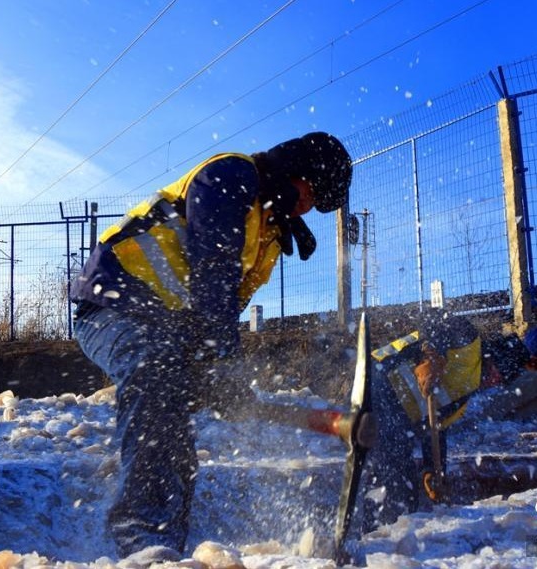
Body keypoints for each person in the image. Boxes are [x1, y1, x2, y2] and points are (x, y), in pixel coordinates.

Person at [71, 132, 352, 560]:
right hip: (114, 303)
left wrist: (218, 377)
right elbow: (213, 274)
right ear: (292, 168)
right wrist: (221, 363)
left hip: (169, 331)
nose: (306, 207)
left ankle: (166, 548)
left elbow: (221, 310)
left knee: (174, 436)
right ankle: (141, 543)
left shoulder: (267, 234)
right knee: (154, 373)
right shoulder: (231, 174)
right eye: (308, 192)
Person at [363, 309, 509, 530]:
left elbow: (435, 430)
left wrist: (432, 470)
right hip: (378, 376)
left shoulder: (464, 396)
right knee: (397, 485)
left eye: (500, 380)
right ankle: (376, 540)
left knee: (402, 490)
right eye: (499, 373)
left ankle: (384, 546)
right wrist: (431, 353)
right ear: (494, 358)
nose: (495, 381)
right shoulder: (470, 345)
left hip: (395, 415)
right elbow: (436, 318)